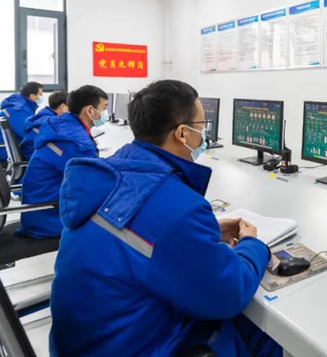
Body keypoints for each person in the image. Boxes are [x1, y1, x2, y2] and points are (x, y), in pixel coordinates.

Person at [50, 80, 282, 357]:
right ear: (183, 133)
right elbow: (229, 294)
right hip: (134, 347)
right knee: (264, 334)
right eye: (202, 126)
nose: (203, 135)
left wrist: (202, 234)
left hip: (87, 341)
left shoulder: (109, 174)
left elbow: (144, 238)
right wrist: (253, 245)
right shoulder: (178, 207)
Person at [17, 85, 108, 239]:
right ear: (90, 110)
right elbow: (93, 184)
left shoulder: (62, 125)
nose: (106, 113)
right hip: (50, 216)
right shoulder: (77, 142)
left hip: (40, 206)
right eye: (104, 107)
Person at [0, 82, 43, 163]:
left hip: (8, 149)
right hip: (6, 152)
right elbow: (27, 133)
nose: (41, 97)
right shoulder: (19, 109)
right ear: (32, 96)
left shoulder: (19, 105)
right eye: (40, 94)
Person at [20, 90, 69, 160]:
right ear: (63, 106)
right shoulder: (51, 122)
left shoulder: (43, 116)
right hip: (34, 155)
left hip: (30, 152)